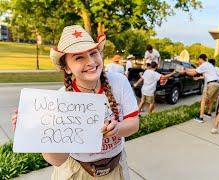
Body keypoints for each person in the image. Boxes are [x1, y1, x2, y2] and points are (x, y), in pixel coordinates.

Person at [11, 25, 139, 179]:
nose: (91, 61)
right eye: (79, 57)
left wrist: (117, 128)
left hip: (115, 167)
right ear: (67, 67)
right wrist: (36, 131)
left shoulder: (119, 82)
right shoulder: (59, 101)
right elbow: (58, 160)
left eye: (93, 53)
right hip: (77, 171)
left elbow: (134, 124)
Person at [179, 54, 219, 123]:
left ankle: (200, 117)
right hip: (217, 84)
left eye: (199, 59)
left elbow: (194, 73)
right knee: (211, 100)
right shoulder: (209, 65)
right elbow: (195, 70)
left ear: (201, 59)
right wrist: (186, 69)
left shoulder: (204, 65)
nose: (198, 61)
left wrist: (185, 72)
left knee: (203, 100)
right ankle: (209, 113)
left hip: (211, 84)